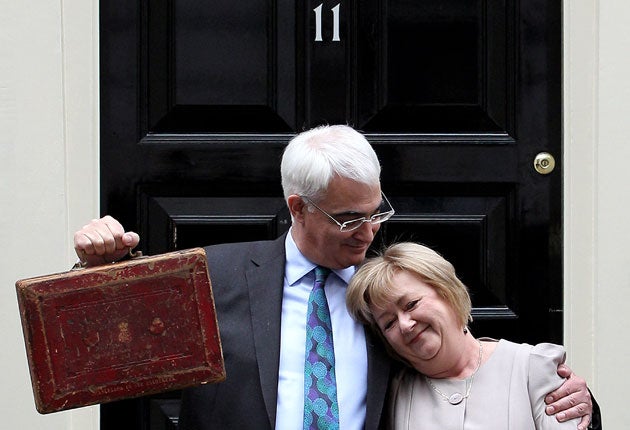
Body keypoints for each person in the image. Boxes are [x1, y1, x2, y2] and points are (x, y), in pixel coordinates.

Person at [73, 125, 597, 429]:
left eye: (376, 212)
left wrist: (566, 396)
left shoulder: (387, 299)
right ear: (298, 207)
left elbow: (461, 361)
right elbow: (103, 361)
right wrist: (95, 276)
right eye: (349, 219)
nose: (368, 232)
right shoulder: (214, 273)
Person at [346, 241, 598, 429]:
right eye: (388, 323)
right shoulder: (392, 392)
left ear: (447, 292)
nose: (405, 324)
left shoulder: (532, 367)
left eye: (411, 304)